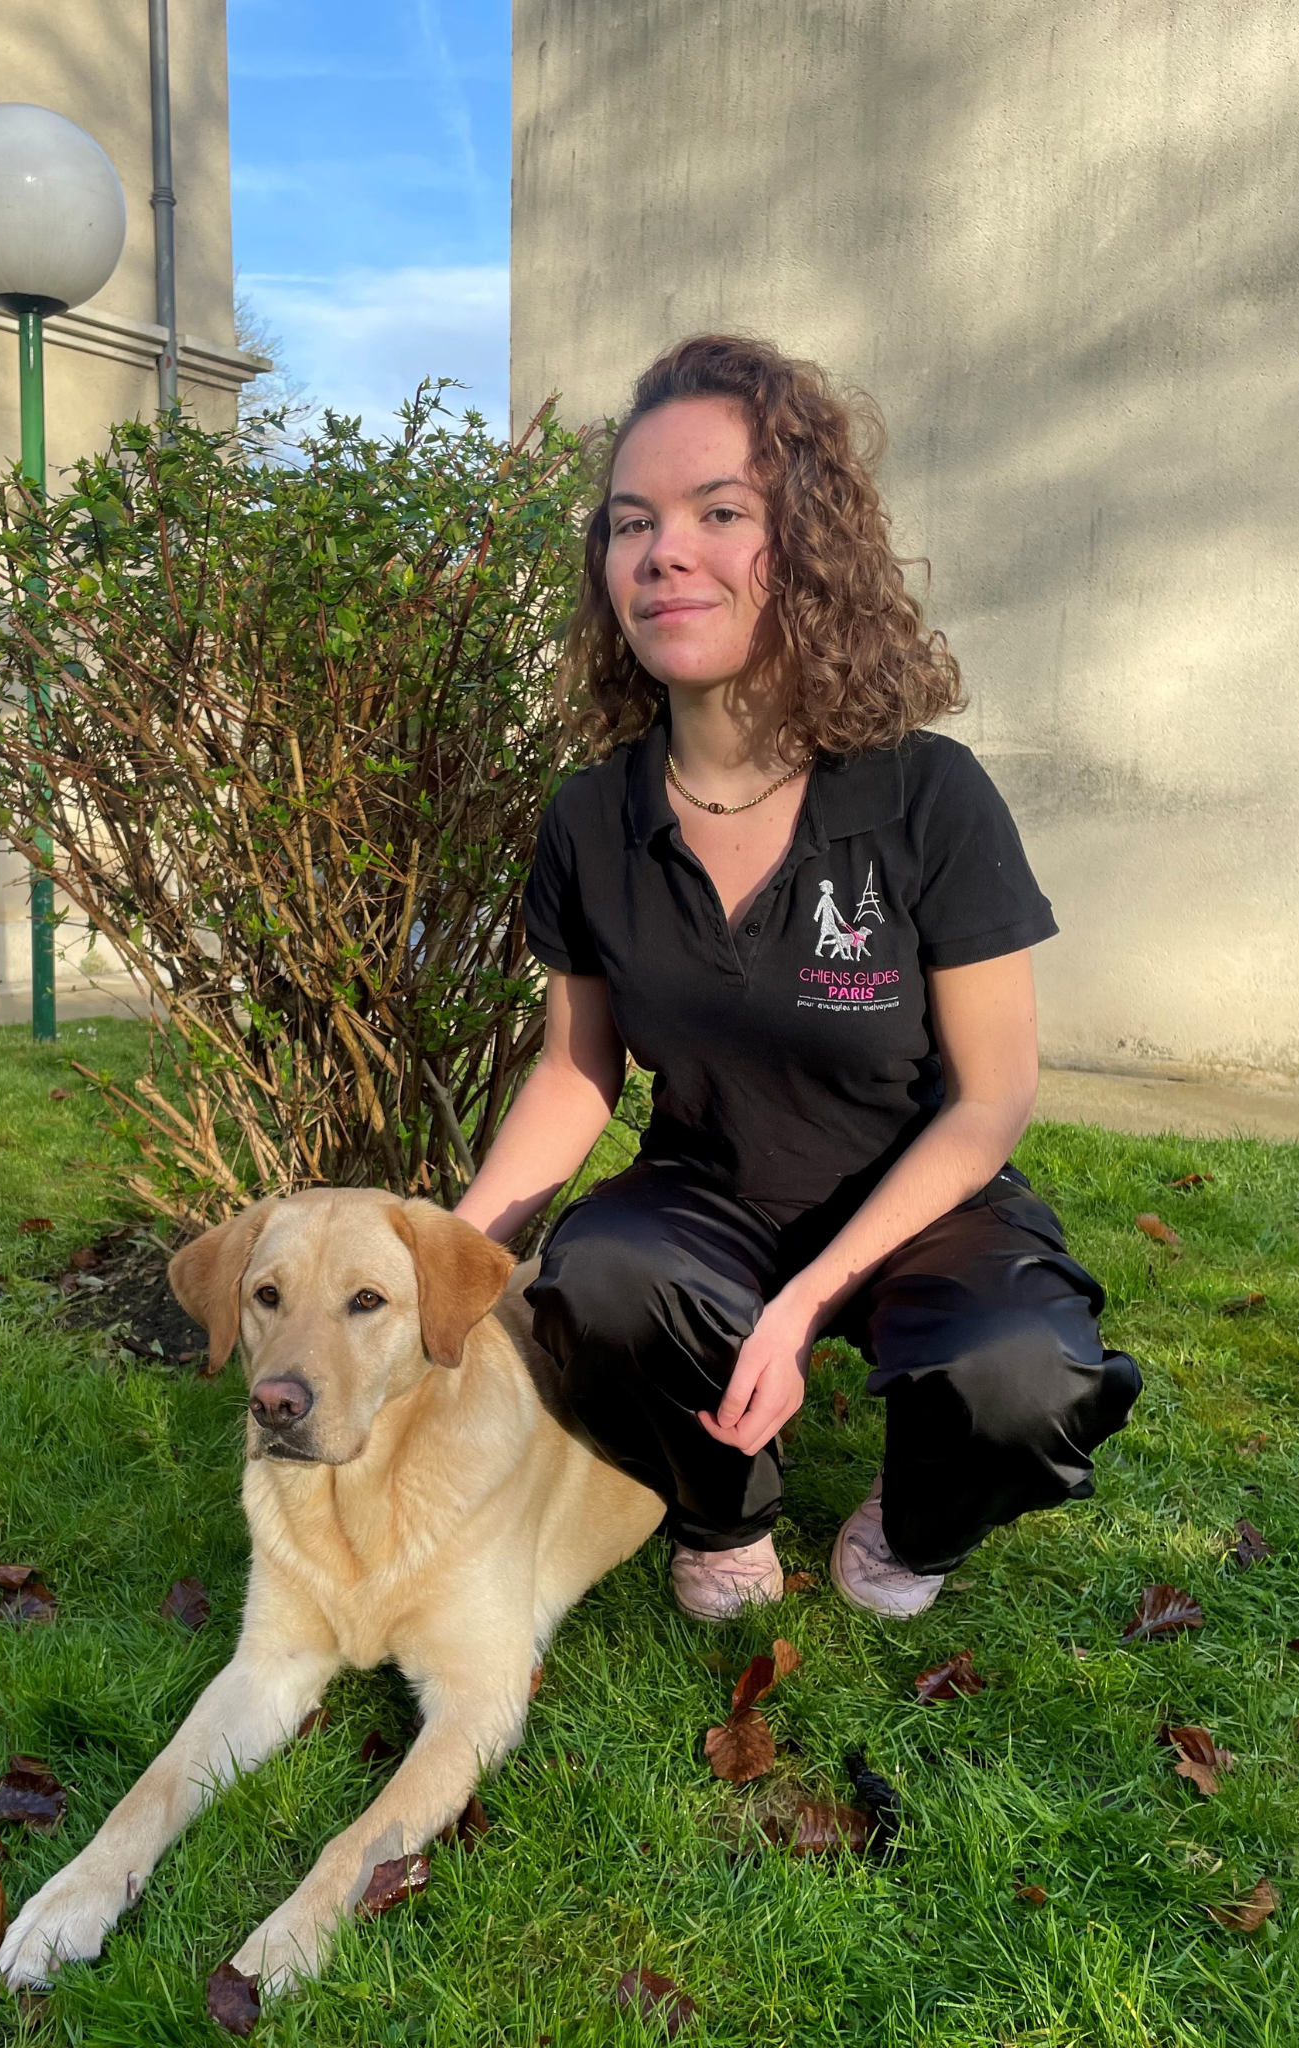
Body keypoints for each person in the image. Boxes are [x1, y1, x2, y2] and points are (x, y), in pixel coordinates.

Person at [452, 335, 1141, 1622]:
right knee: (596, 1282)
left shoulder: (929, 795)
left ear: (808, 547)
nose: (663, 551)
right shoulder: (591, 817)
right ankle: (725, 1506)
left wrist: (807, 1299)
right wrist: (453, 1257)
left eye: (721, 512)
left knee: (1023, 1376)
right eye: (630, 522)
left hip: (921, 1191)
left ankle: (915, 1508)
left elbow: (990, 1099)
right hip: (711, 1194)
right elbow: (574, 1067)